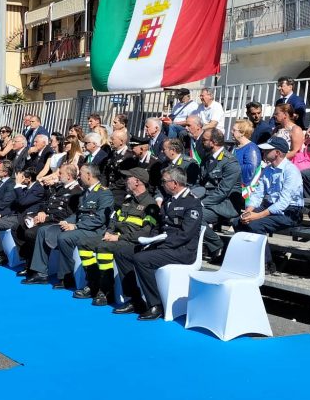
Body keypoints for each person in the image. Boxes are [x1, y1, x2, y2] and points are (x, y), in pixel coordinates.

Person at [112, 165, 202, 319]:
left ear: (175, 183)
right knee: (122, 253)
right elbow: (159, 226)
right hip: (163, 245)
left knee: (141, 259)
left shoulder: (192, 203)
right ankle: (135, 300)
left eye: (164, 181)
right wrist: (151, 240)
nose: (162, 184)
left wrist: (160, 244)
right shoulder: (169, 200)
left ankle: (155, 305)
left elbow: (185, 234)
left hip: (181, 250)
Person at [74, 166, 159, 306]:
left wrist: (118, 238)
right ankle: (94, 283)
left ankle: (105, 290)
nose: (125, 180)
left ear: (137, 182)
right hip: (116, 237)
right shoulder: (127, 201)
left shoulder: (150, 204)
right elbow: (114, 220)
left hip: (131, 241)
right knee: (84, 243)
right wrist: (109, 231)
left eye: (128, 178)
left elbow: (145, 233)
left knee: (104, 247)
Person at [22, 164, 114, 288]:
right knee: (43, 231)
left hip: (94, 230)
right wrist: (66, 221)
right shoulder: (86, 192)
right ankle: (40, 273)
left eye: (81, 174)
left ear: (89, 175)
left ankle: (66, 277)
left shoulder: (104, 193)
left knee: (64, 237)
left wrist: (76, 226)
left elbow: (100, 219)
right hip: (80, 226)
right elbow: (78, 213)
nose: (79, 176)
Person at [233, 137, 303, 273]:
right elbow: (257, 194)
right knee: (238, 221)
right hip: (271, 207)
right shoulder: (268, 169)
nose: (263, 152)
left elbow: (283, 203)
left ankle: (266, 263)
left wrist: (256, 216)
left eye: (267, 150)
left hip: (290, 212)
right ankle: (247, 258)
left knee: (255, 224)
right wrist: (249, 211)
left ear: (277, 153)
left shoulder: (291, 171)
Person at [13, 163, 83, 274]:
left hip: (58, 223)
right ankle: (28, 262)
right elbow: (46, 203)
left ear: (69, 176)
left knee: (31, 233)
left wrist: (47, 217)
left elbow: (68, 214)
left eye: (60, 173)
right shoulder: (59, 188)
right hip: (49, 219)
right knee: (18, 227)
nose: (58, 175)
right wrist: (41, 212)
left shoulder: (77, 192)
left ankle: (36, 269)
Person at [0, 168, 46, 267]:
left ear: (29, 178)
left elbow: (23, 202)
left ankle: (0, 254)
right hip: (13, 215)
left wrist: (18, 184)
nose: (18, 179)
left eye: (21, 177)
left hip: (22, 218)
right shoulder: (25, 188)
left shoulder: (38, 189)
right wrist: (0, 214)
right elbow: (13, 206)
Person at [196, 127, 240, 262]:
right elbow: (201, 183)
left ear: (213, 142)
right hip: (209, 200)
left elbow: (223, 191)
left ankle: (217, 245)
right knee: (186, 211)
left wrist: (201, 203)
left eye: (204, 140)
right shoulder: (207, 158)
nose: (202, 143)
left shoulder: (230, 162)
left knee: (195, 216)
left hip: (225, 203)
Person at [231, 118, 263, 204]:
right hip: (233, 184)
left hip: (244, 189)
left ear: (242, 133)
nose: (231, 132)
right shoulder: (235, 146)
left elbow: (250, 169)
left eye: (234, 130)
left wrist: (231, 167)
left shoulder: (251, 148)